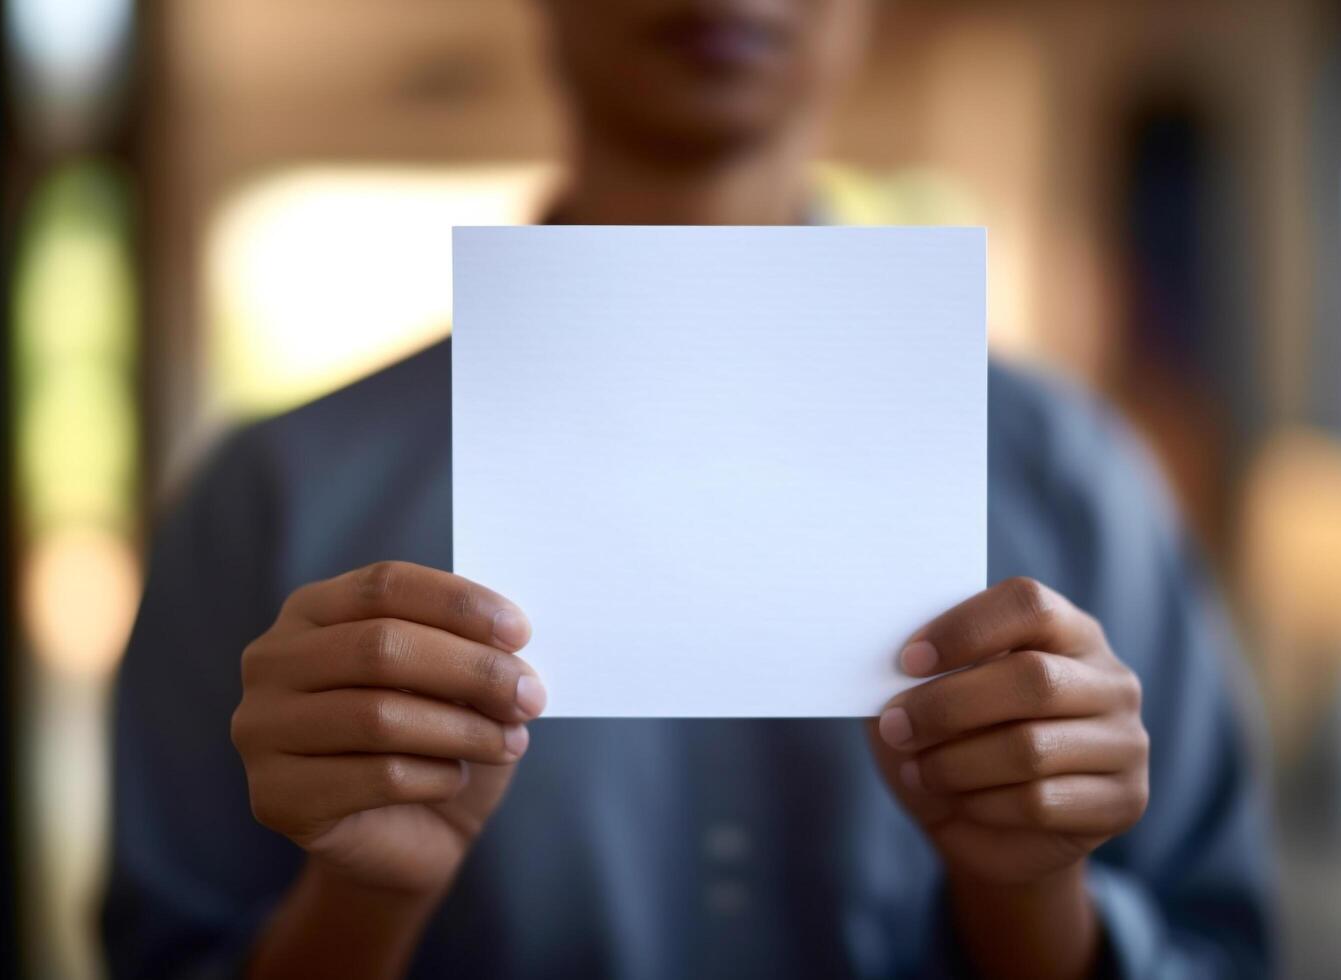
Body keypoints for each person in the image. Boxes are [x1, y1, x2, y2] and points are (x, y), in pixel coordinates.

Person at [102, 1, 1274, 977]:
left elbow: (1224, 944)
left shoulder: (1076, 480)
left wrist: (1033, 897)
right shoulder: (271, 498)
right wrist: (360, 901)